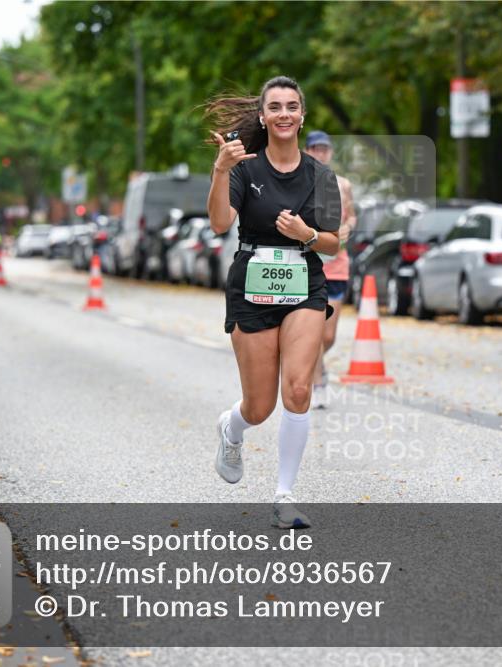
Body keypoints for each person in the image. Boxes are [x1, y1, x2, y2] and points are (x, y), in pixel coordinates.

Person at [206, 75, 342, 529]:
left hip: (305, 284)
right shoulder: (244, 168)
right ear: (263, 117)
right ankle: (231, 428)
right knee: (259, 406)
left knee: (299, 390)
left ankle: (285, 495)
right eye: (275, 107)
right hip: (252, 284)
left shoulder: (321, 176)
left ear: (302, 116)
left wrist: (307, 235)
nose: (284, 114)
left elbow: (332, 245)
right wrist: (221, 169)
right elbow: (220, 224)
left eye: (292, 106)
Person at [303, 131, 356, 409]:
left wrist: (349, 227)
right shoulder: (300, 182)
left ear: (330, 152)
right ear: (308, 151)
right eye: (315, 149)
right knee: (313, 333)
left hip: (337, 265)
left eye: (325, 149)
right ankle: (318, 381)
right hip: (309, 266)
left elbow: (352, 214)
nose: (321, 153)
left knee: (328, 335)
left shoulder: (343, 184)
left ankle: (315, 367)